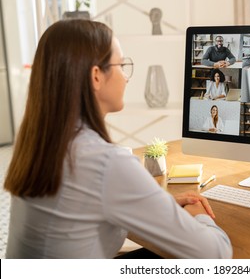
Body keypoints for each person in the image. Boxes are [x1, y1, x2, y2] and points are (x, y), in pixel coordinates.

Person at [3, 20, 232, 259]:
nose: (126, 77)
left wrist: (159, 206)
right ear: (96, 76)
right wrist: (200, 216)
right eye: (121, 65)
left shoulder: (42, 143)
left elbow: (89, 207)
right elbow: (215, 255)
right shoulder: (105, 162)